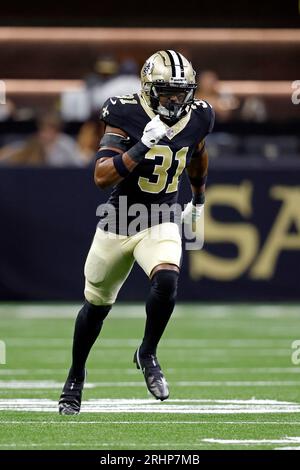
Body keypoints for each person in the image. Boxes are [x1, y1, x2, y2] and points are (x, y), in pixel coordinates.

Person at [58, 50, 214, 415]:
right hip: (119, 218)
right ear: (148, 89)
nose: (175, 99)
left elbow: (199, 152)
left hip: (161, 216)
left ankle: (147, 352)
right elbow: (101, 176)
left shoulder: (200, 115)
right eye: (167, 91)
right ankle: (75, 377)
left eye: (181, 91)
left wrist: (200, 200)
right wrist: (143, 145)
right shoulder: (125, 112)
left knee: (166, 280)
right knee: (96, 306)